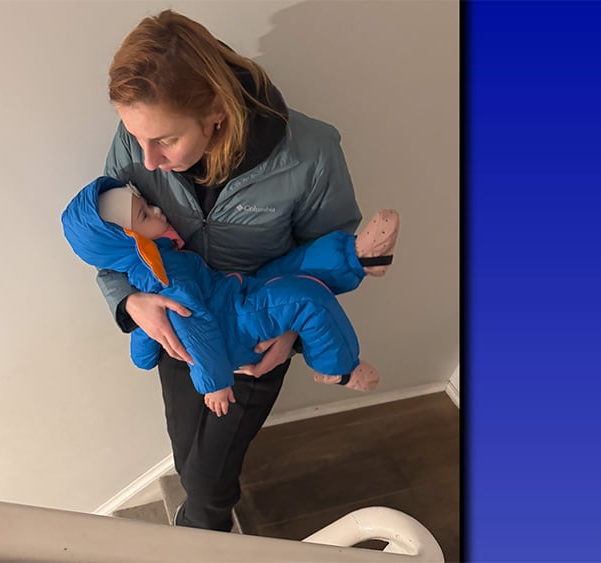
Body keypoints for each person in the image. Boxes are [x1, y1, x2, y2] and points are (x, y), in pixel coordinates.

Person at [96, 9, 368, 532]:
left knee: (209, 480)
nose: (146, 160)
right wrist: (130, 304)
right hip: (175, 328)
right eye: (136, 138)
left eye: (165, 141)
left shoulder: (310, 153)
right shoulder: (137, 137)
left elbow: (333, 249)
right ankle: (200, 519)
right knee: (186, 455)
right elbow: (108, 237)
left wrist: (291, 331)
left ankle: (207, 533)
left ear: (217, 111)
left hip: (258, 337)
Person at [62, 177, 398, 416]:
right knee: (305, 297)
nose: (158, 211)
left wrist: (142, 348)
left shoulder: (159, 260)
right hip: (231, 327)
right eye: (146, 215)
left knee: (287, 268)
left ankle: (358, 256)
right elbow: (193, 324)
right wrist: (215, 383)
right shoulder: (162, 273)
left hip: (232, 295)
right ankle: (339, 368)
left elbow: (147, 345)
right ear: (129, 241)